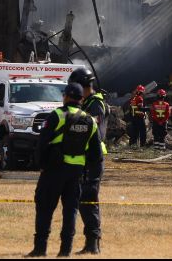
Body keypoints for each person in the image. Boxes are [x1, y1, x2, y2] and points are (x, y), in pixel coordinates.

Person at [26, 83, 103, 258]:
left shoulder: (57, 115)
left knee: (45, 209)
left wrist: (42, 165)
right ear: (81, 99)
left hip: (54, 171)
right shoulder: (90, 120)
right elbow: (96, 155)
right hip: (76, 174)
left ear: (66, 97)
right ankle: (65, 250)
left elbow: (42, 143)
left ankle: (40, 249)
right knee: (70, 212)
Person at [68, 67, 107, 255]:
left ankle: (93, 243)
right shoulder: (87, 103)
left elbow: (91, 130)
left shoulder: (96, 104)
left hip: (93, 160)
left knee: (89, 200)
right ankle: (90, 242)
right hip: (84, 158)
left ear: (84, 86)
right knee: (83, 201)